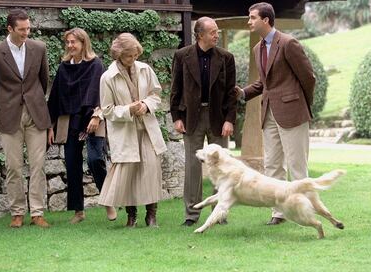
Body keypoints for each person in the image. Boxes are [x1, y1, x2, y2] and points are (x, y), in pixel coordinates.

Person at [236, 2, 316, 225]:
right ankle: (278, 213)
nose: (249, 21)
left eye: (252, 17)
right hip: (268, 113)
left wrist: (301, 104)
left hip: (293, 112)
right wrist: (242, 93)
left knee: (297, 165)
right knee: (272, 165)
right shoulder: (257, 49)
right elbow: (264, 83)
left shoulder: (289, 43)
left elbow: (308, 78)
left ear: (266, 20)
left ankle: (304, 212)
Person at [0, 9, 51, 228]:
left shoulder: (39, 48)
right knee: (13, 166)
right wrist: (6, 102)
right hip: (9, 114)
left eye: (28, 28)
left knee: (38, 165)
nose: (26, 33)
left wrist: (35, 100)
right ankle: (17, 213)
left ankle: (38, 213)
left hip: (36, 114)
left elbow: (44, 79)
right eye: (22, 29)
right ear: (10, 29)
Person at [170, 17, 237, 226]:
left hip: (219, 118)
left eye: (217, 32)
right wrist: (176, 117)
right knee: (192, 167)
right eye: (212, 32)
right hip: (191, 118)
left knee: (222, 166)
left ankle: (220, 213)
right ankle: (191, 215)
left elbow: (231, 93)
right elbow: (175, 89)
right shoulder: (182, 56)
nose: (216, 35)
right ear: (200, 35)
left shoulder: (226, 57)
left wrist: (229, 120)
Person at [47, 28, 116, 224]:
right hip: (70, 121)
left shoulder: (95, 65)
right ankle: (78, 211)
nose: (70, 45)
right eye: (67, 42)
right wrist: (50, 126)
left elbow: (101, 93)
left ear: (83, 43)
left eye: (73, 42)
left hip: (93, 118)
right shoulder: (63, 68)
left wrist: (96, 116)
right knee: (72, 164)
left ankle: (108, 201)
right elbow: (55, 98)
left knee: (95, 160)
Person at [98, 33, 167, 228]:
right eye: (129, 56)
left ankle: (151, 215)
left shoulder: (145, 69)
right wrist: (128, 109)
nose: (134, 59)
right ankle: (131, 216)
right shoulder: (107, 77)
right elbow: (107, 110)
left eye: (136, 55)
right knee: (128, 174)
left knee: (151, 169)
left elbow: (156, 94)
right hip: (124, 131)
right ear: (119, 54)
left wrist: (145, 105)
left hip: (147, 128)